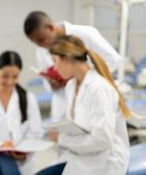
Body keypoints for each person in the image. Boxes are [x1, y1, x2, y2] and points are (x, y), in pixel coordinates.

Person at [37, 35, 130, 175]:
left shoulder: (99, 88)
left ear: (67, 58)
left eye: (55, 61)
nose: (54, 68)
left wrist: (62, 139)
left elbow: (101, 140)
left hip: (105, 164)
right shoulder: (71, 86)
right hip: (82, 158)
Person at [23, 11, 122, 121]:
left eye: (41, 39)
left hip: (89, 100)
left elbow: (113, 60)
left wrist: (81, 75)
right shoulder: (41, 50)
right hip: (63, 105)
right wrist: (53, 84)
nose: (40, 45)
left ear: (50, 27)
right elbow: (47, 83)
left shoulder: (85, 34)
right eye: (36, 43)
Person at [0, 51, 43, 175]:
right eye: (5, 76)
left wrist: (23, 152)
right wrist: (0, 145)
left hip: (22, 161)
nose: (10, 82)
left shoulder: (28, 98)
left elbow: (35, 133)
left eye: (15, 77)